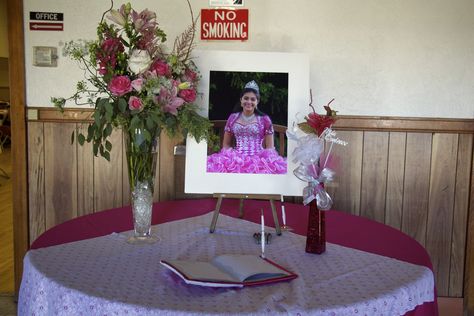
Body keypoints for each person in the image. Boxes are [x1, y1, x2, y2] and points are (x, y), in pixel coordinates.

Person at [207, 80, 287, 174]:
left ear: (257, 101)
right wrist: (231, 158)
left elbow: (269, 147)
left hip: (258, 160)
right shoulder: (233, 118)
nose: (249, 101)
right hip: (237, 161)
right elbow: (226, 144)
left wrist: (266, 161)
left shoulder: (264, 119)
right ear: (241, 100)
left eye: (253, 99)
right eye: (246, 98)